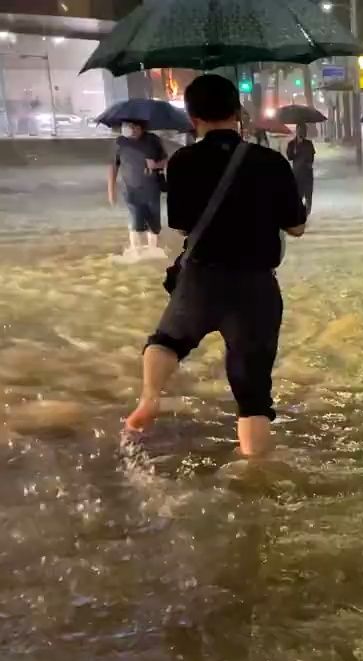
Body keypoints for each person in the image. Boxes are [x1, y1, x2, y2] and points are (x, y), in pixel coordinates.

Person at [125, 74, 307, 457]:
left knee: (167, 341)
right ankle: (255, 473)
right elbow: (297, 226)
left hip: (202, 278)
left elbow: (181, 225)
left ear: (193, 117)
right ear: (238, 113)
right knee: (253, 394)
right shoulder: (270, 161)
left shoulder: (183, 162)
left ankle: (151, 396)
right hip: (256, 285)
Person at [108, 119, 168, 260]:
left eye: (135, 127)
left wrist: (156, 165)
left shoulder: (153, 140)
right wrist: (111, 191)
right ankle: (135, 252)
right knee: (135, 220)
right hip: (130, 189)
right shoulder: (120, 143)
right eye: (129, 127)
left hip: (152, 188)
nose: (132, 130)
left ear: (143, 128)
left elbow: (166, 159)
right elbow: (113, 167)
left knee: (153, 222)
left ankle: (153, 252)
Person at [286, 123, 316, 217]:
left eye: (304, 130)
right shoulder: (291, 144)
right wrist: (293, 152)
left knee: (308, 198)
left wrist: (308, 163)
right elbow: (289, 157)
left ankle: (306, 215)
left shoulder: (309, 143)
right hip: (297, 175)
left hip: (307, 175)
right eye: (301, 130)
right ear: (297, 130)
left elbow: (311, 157)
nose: (303, 132)